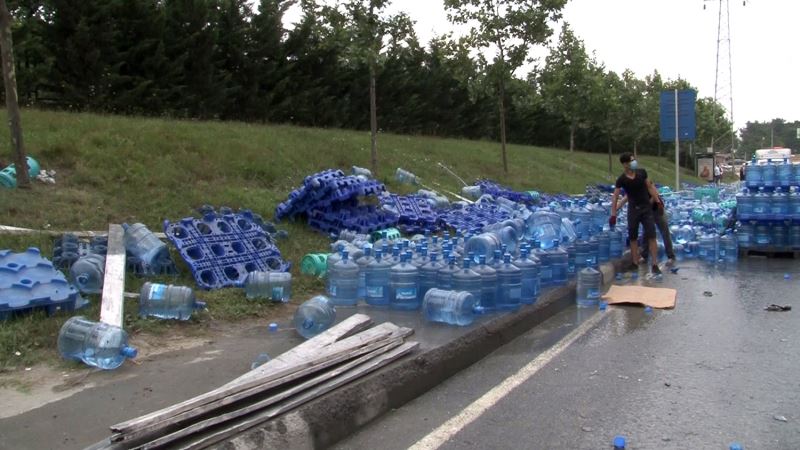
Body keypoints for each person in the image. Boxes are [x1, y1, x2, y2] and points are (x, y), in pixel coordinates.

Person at [610, 152, 662, 275]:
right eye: (631, 160)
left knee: (651, 236)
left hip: (646, 208)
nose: (634, 162)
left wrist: (658, 201)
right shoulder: (622, 179)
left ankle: (654, 264)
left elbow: (650, 187)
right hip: (633, 209)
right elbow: (616, 196)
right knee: (633, 237)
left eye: (634, 160)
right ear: (625, 164)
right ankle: (635, 263)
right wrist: (613, 214)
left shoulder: (641, 173)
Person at [617, 181, 676, 266]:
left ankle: (671, 256)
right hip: (646, 211)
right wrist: (616, 209)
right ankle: (644, 256)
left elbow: (654, 194)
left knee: (664, 231)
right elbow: (625, 199)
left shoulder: (645, 182)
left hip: (657, 209)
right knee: (646, 233)